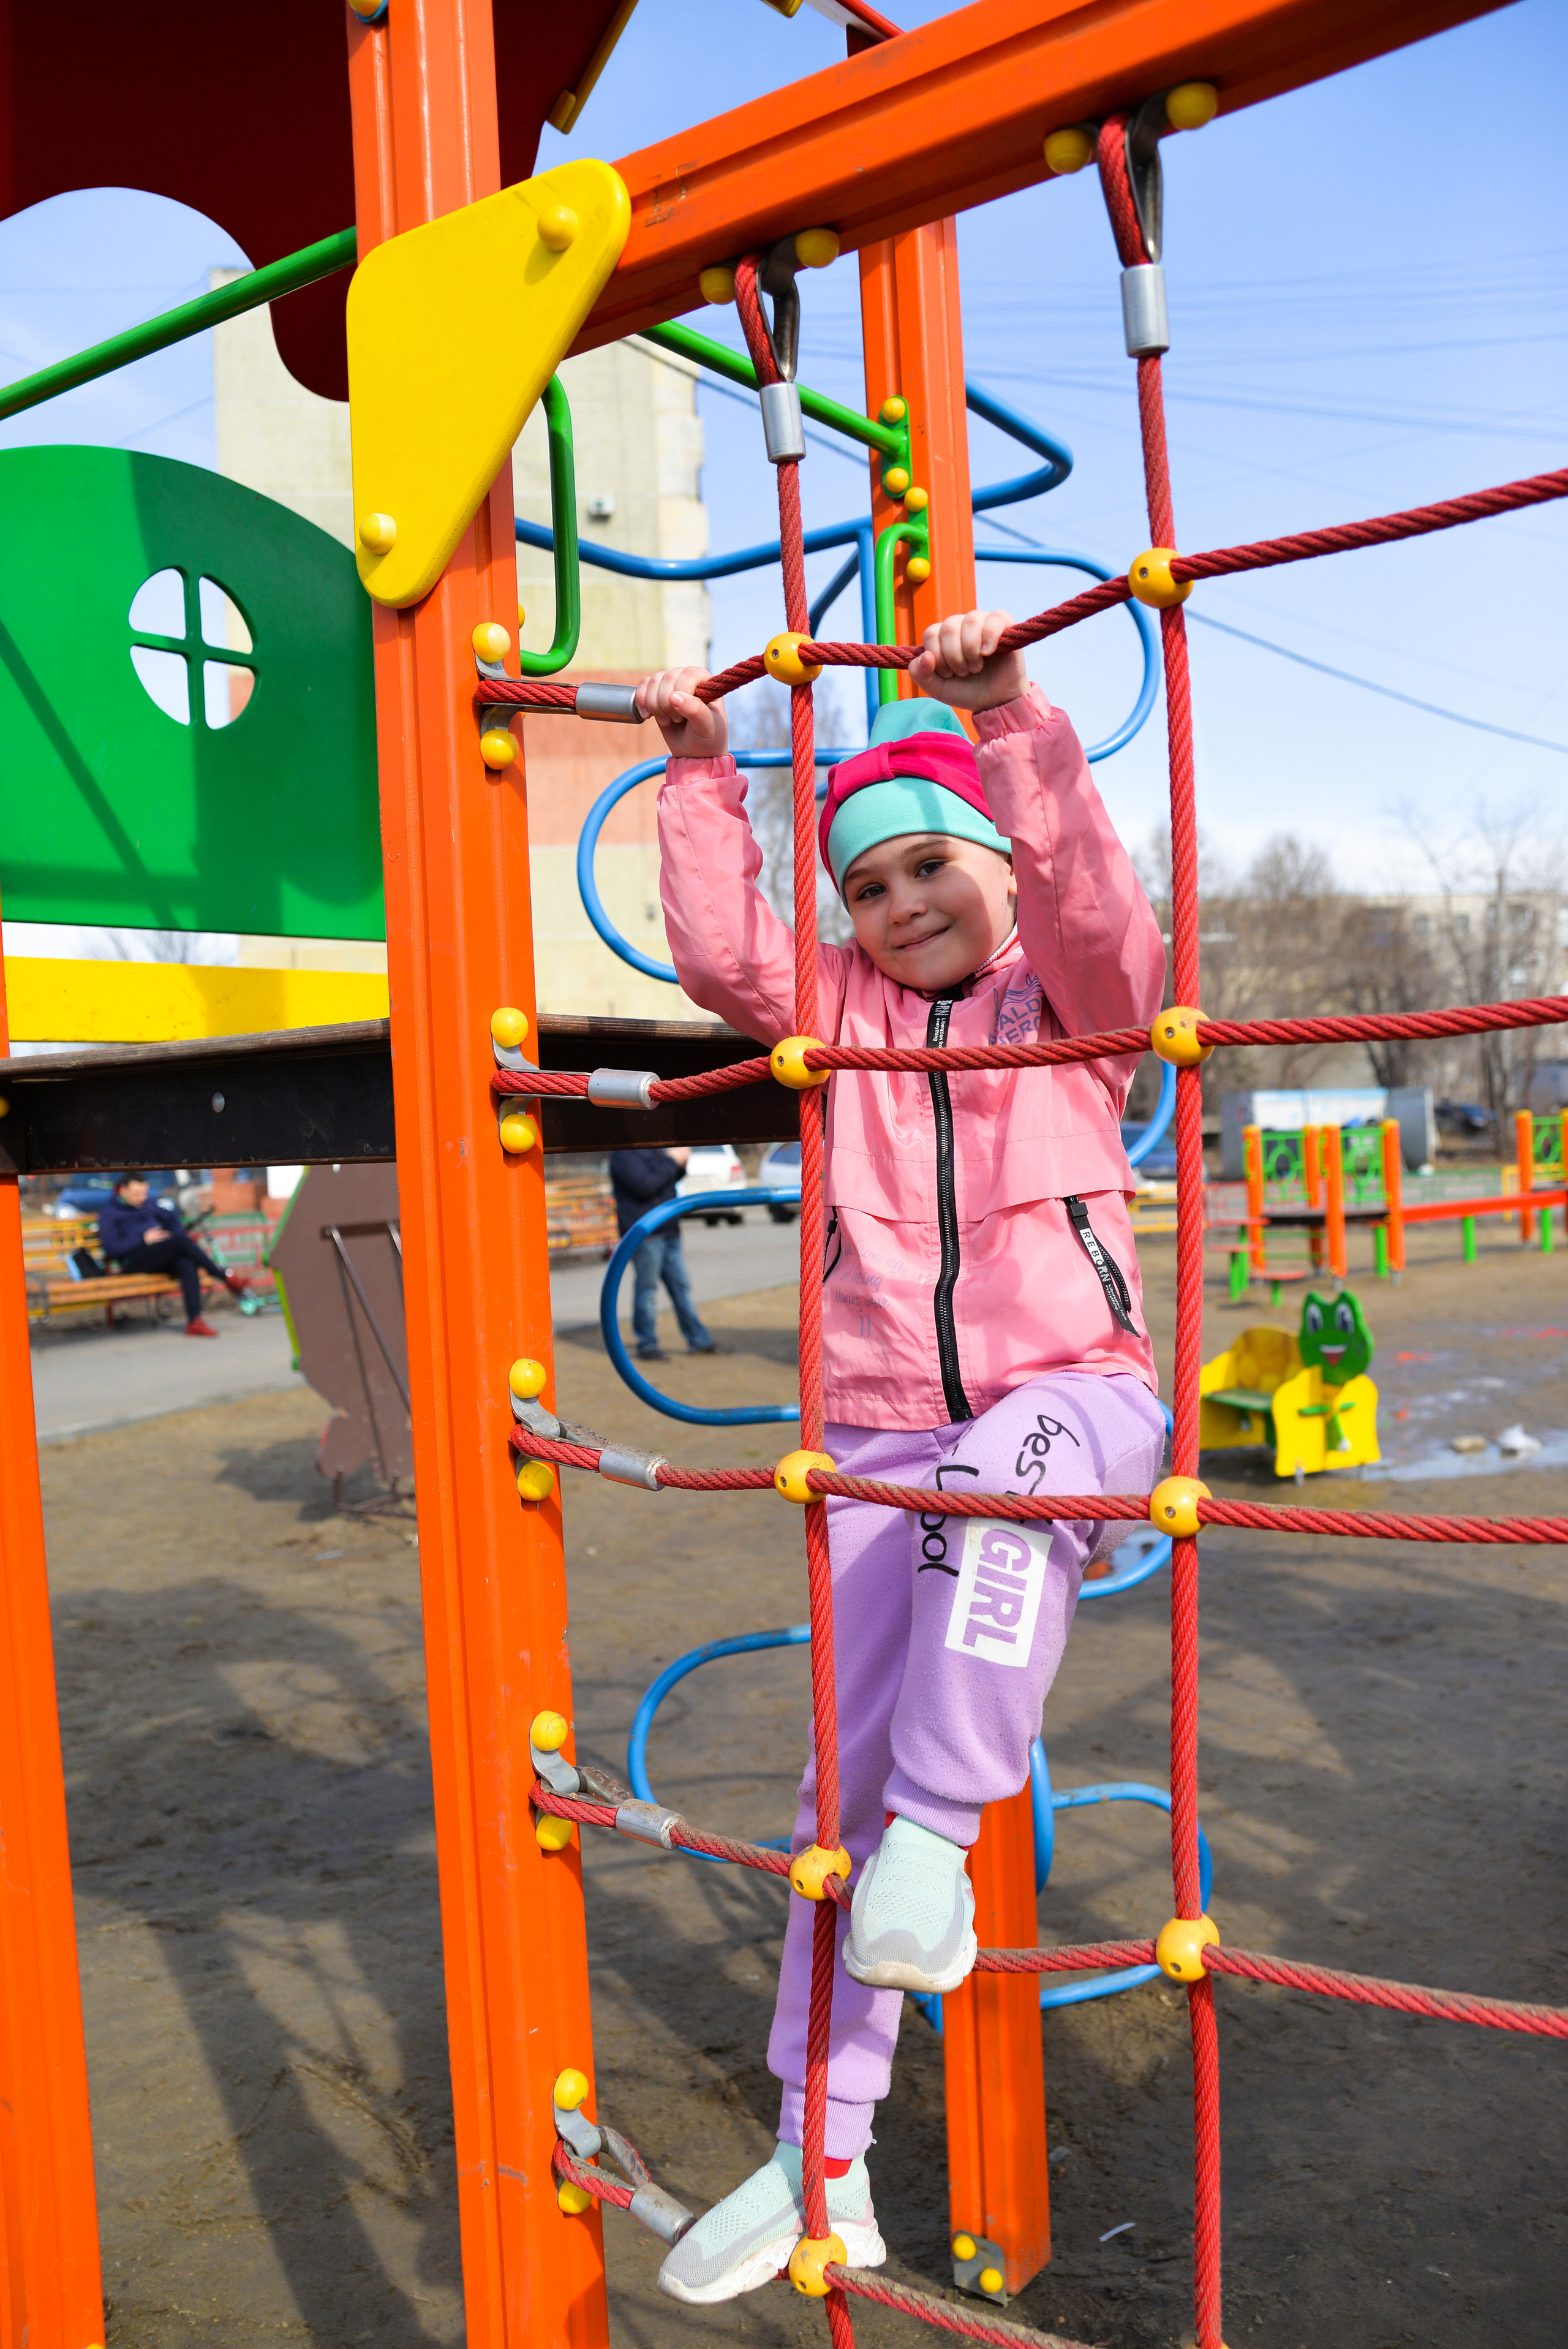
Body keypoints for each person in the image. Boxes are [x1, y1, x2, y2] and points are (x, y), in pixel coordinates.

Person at [634, 610, 1167, 2303]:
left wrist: (1008, 720)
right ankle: (826, 2153)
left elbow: (1103, 921)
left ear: (998, 864)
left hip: (1073, 1388)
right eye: (866, 886)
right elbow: (729, 960)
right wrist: (702, 777)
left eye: (930, 864)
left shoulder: (1066, 1000)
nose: (900, 905)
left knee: (1006, 1474)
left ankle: (941, 1836)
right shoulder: (844, 1015)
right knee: (827, 1803)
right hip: (875, 1421)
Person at [97, 1174, 251, 1336]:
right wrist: (143, 1240)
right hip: (134, 1261)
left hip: (159, 1255)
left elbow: (172, 1219)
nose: (142, 1198)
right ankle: (225, 1278)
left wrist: (171, 1233)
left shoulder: (148, 1205)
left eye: (144, 1193)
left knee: (186, 1263)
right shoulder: (110, 1213)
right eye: (136, 1194)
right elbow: (112, 1249)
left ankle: (194, 1322)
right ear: (122, 1190)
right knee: (182, 1242)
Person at [608, 1146, 722, 1361]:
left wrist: (681, 1164)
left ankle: (699, 1339)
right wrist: (672, 1160)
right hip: (645, 1233)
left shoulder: (654, 1148)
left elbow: (667, 1177)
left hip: (669, 1230)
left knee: (682, 1288)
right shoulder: (623, 1154)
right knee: (647, 1291)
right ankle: (647, 1344)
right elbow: (645, 1186)